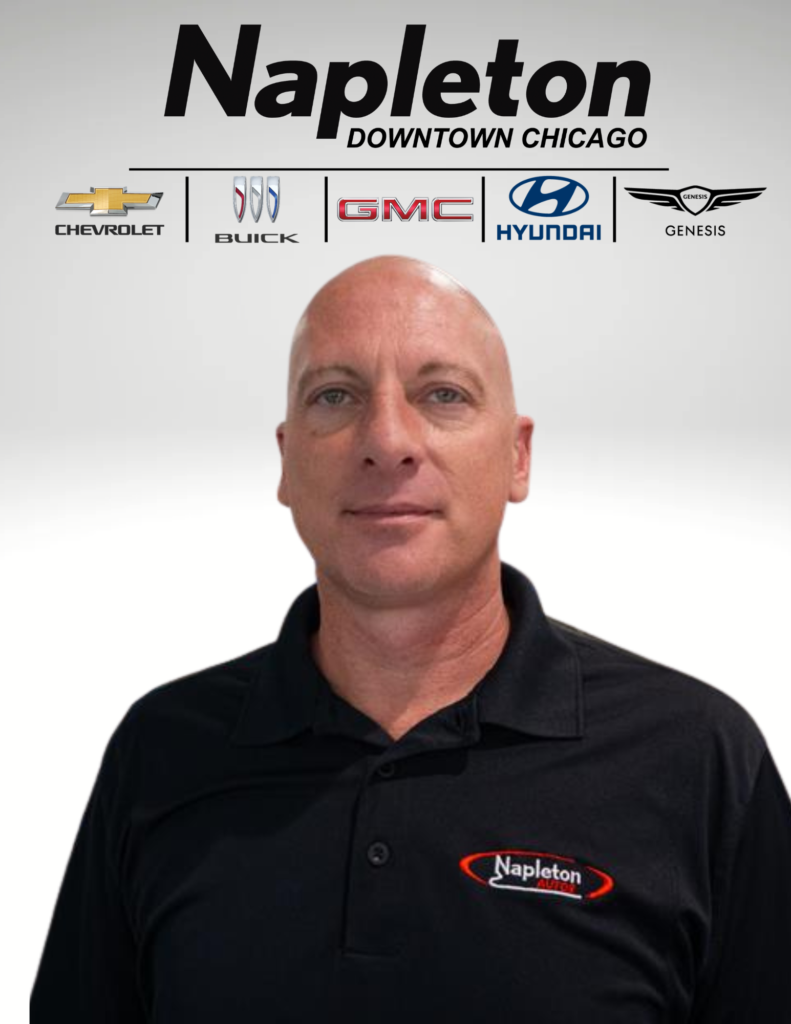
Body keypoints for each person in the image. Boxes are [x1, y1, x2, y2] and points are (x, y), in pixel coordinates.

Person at [31, 257, 791, 1023]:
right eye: (336, 395)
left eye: (442, 395)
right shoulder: (162, 751)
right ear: (286, 460)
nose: (387, 440)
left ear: (517, 456)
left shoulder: (697, 757)